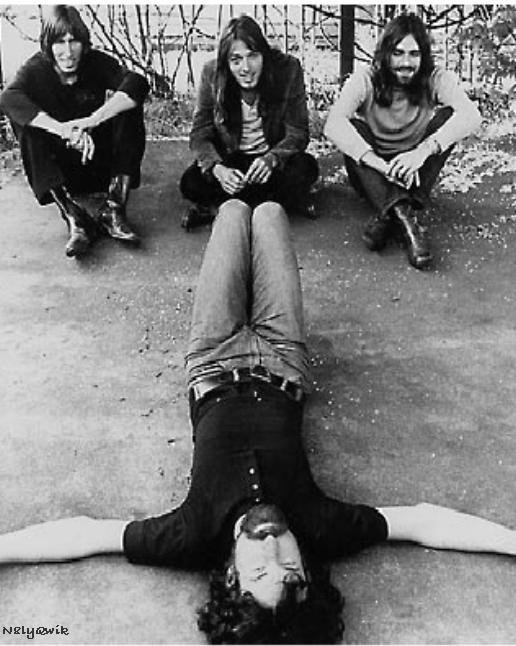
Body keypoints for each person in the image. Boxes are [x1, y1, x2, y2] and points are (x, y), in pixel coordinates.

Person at [1, 198, 515, 643]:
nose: (271, 545)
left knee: (231, 212)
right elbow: (424, 522)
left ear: (230, 578)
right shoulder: (325, 528)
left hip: (212, 356)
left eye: (259, 572)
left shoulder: (190, 538)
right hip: (282, 355)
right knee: (268, 213)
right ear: (308, 572)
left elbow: (85, 536)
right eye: (289, 567)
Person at [325, 13, 482, 269]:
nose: (406, 62)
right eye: (398, 53)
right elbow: (333, 124)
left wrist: (422, 152)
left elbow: (471, 115)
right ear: (385, 53)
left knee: (448, 118)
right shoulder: (366, 78)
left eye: (414, 54)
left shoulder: (434, 77)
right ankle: (408, 219)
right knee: (353, 128)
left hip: (415, 169)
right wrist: (380, 165)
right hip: (373, 171)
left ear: (424, 56)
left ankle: (392, 214)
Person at [0, 5, 149, 258]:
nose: (68, 52)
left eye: (74, 42)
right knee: (26, 123)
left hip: (99, 163)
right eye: (60, 42)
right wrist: (62, 130)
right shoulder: (36, 69)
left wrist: (92, 120)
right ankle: (74, 216)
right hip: (62, 173)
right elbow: (8, 98)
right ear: (48, 44)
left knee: (128, 105)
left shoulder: (95, 62)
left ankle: (114, 208)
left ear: (83, 43)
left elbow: (137, 82)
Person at [179, 15, 319, 230]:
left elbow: (298, 132)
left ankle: (221, 208)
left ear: (264, 54)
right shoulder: (212, 74)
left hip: (272, 161)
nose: (246, 68)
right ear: (226, 63)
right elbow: (200, 133)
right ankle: (274, 203)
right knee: (190, 182)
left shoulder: (288, 69)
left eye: (252, 56)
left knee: (306, 168)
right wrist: (217, 169)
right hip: (232, 160)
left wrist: (272, 159)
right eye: (236, 60)